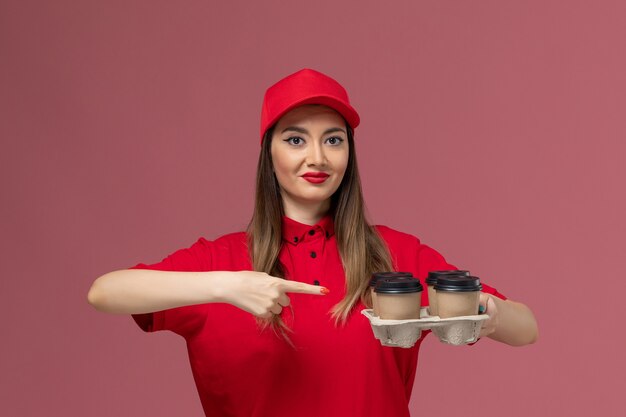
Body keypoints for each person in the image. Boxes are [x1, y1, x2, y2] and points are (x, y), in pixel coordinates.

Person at [87, 68, 538, 417]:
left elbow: (526, 329)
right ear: (270, 154)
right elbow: (105, 292)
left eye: (333, 140)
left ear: (349, 155)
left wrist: (486, 313)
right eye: (296, 138)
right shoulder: (219, 260)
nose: (316, 157)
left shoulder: (397, 255)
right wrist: (224, 287)